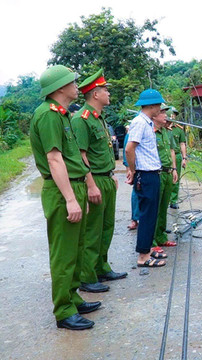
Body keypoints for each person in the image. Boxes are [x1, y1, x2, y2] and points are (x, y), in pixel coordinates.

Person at [30, 65, 100, 330]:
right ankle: (63, 311)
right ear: (60, 88)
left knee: (77, 248)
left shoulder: (61, 114)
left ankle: (72, 297)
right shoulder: (48, 115)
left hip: (74, 186)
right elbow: (54, 158)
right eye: (73, 82)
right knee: (63, 254)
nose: (77, 86)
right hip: (63, 191)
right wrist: (70, 199)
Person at [72, 69, 127, 293]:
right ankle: (87, 276)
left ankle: (101, 267)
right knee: (92, 231)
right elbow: (81, 156)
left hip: (106, 179)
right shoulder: (81, 120)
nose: (108, 93)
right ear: (95, 94)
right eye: (105, 90)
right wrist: (92, 184)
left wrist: (111, 175)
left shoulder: (99, 117)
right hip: (93, 181)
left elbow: (101, 152)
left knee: (107, 227)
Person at [125, 89, 167, 267]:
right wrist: (133, 171)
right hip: (146, 174)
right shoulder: (140, 123)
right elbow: (129, 149)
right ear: (151, 105)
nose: (160, 108)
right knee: (147, 215)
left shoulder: (147, 122)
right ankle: (143, 256)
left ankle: (148, 250)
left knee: (151, 214)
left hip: (152, 173)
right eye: (158, 105)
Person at [152, 105, 178, 254]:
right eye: (162, 113)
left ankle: (161, 236)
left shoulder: (166, 132)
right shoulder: (150, 132)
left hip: (168, 172)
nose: (166, 115)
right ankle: (153, 240)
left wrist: (174, 169)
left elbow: (171, 151)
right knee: (154, 208)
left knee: (163, 207)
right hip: (157, 173)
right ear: (154, 115)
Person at [168, 107, 188, 209]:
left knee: (176, 178)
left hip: (177, 155)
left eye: (174, 114)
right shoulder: (163, 128)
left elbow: (182, 144)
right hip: (166, 156)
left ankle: (174, 200)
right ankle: (165, 199)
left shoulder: (179, 129)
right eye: (171, 114)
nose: (172, 116)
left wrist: (184, 158)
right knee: (166, 178)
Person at [123, 125, 140, 230]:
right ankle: (134, 219)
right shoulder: (135, 128)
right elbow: (127, 149)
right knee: (136, 193)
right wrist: (129, 168)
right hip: (136, 167)